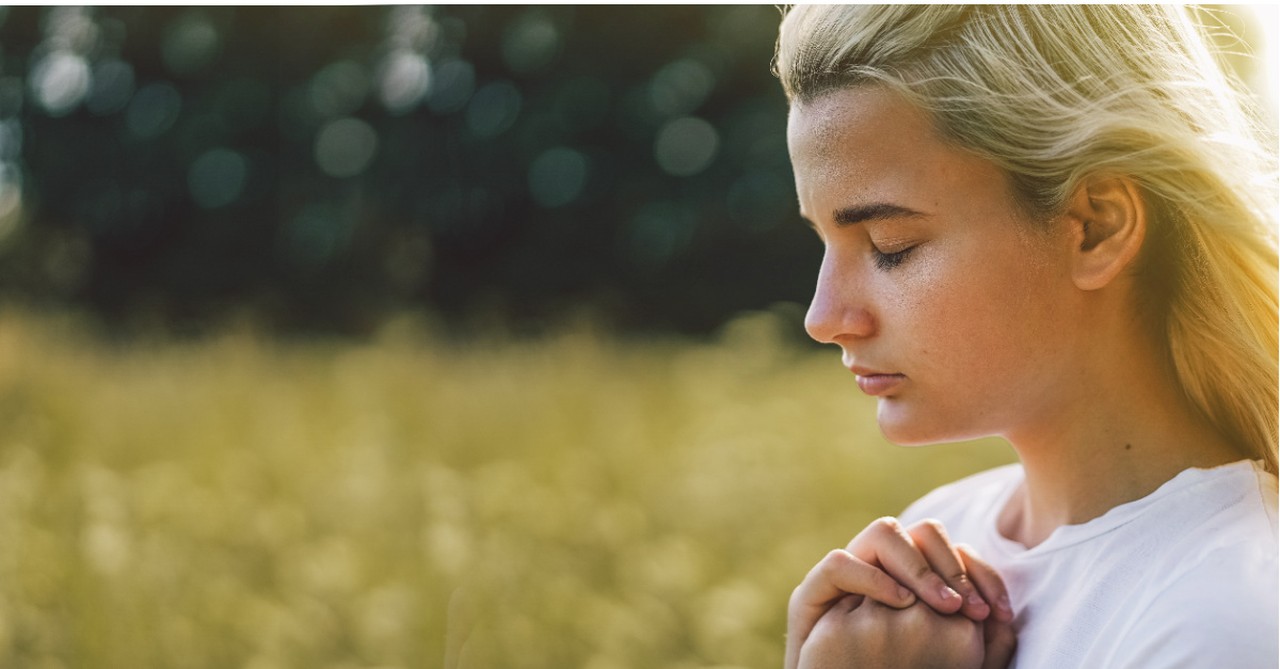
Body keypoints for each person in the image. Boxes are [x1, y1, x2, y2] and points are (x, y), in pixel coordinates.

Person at [774, 5, 1279, 668]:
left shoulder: (1222, 621)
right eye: (825, 243)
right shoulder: (934, 545)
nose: (823, 314)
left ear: (1095, 226)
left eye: (888, 245)